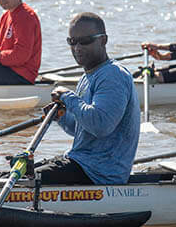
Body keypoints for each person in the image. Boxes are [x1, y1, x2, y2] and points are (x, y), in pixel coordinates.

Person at [35, 12, 140, 185]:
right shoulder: (87, 77)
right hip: (83, 164)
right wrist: (62, 117)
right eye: (72, 41)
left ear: (103, 40)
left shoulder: (113, 75)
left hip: (100, 175)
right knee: (19, 170)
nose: (77, 48)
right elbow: (84, 128)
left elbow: (100, 125)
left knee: (25, 178)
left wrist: (67, 96)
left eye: (85, 41)